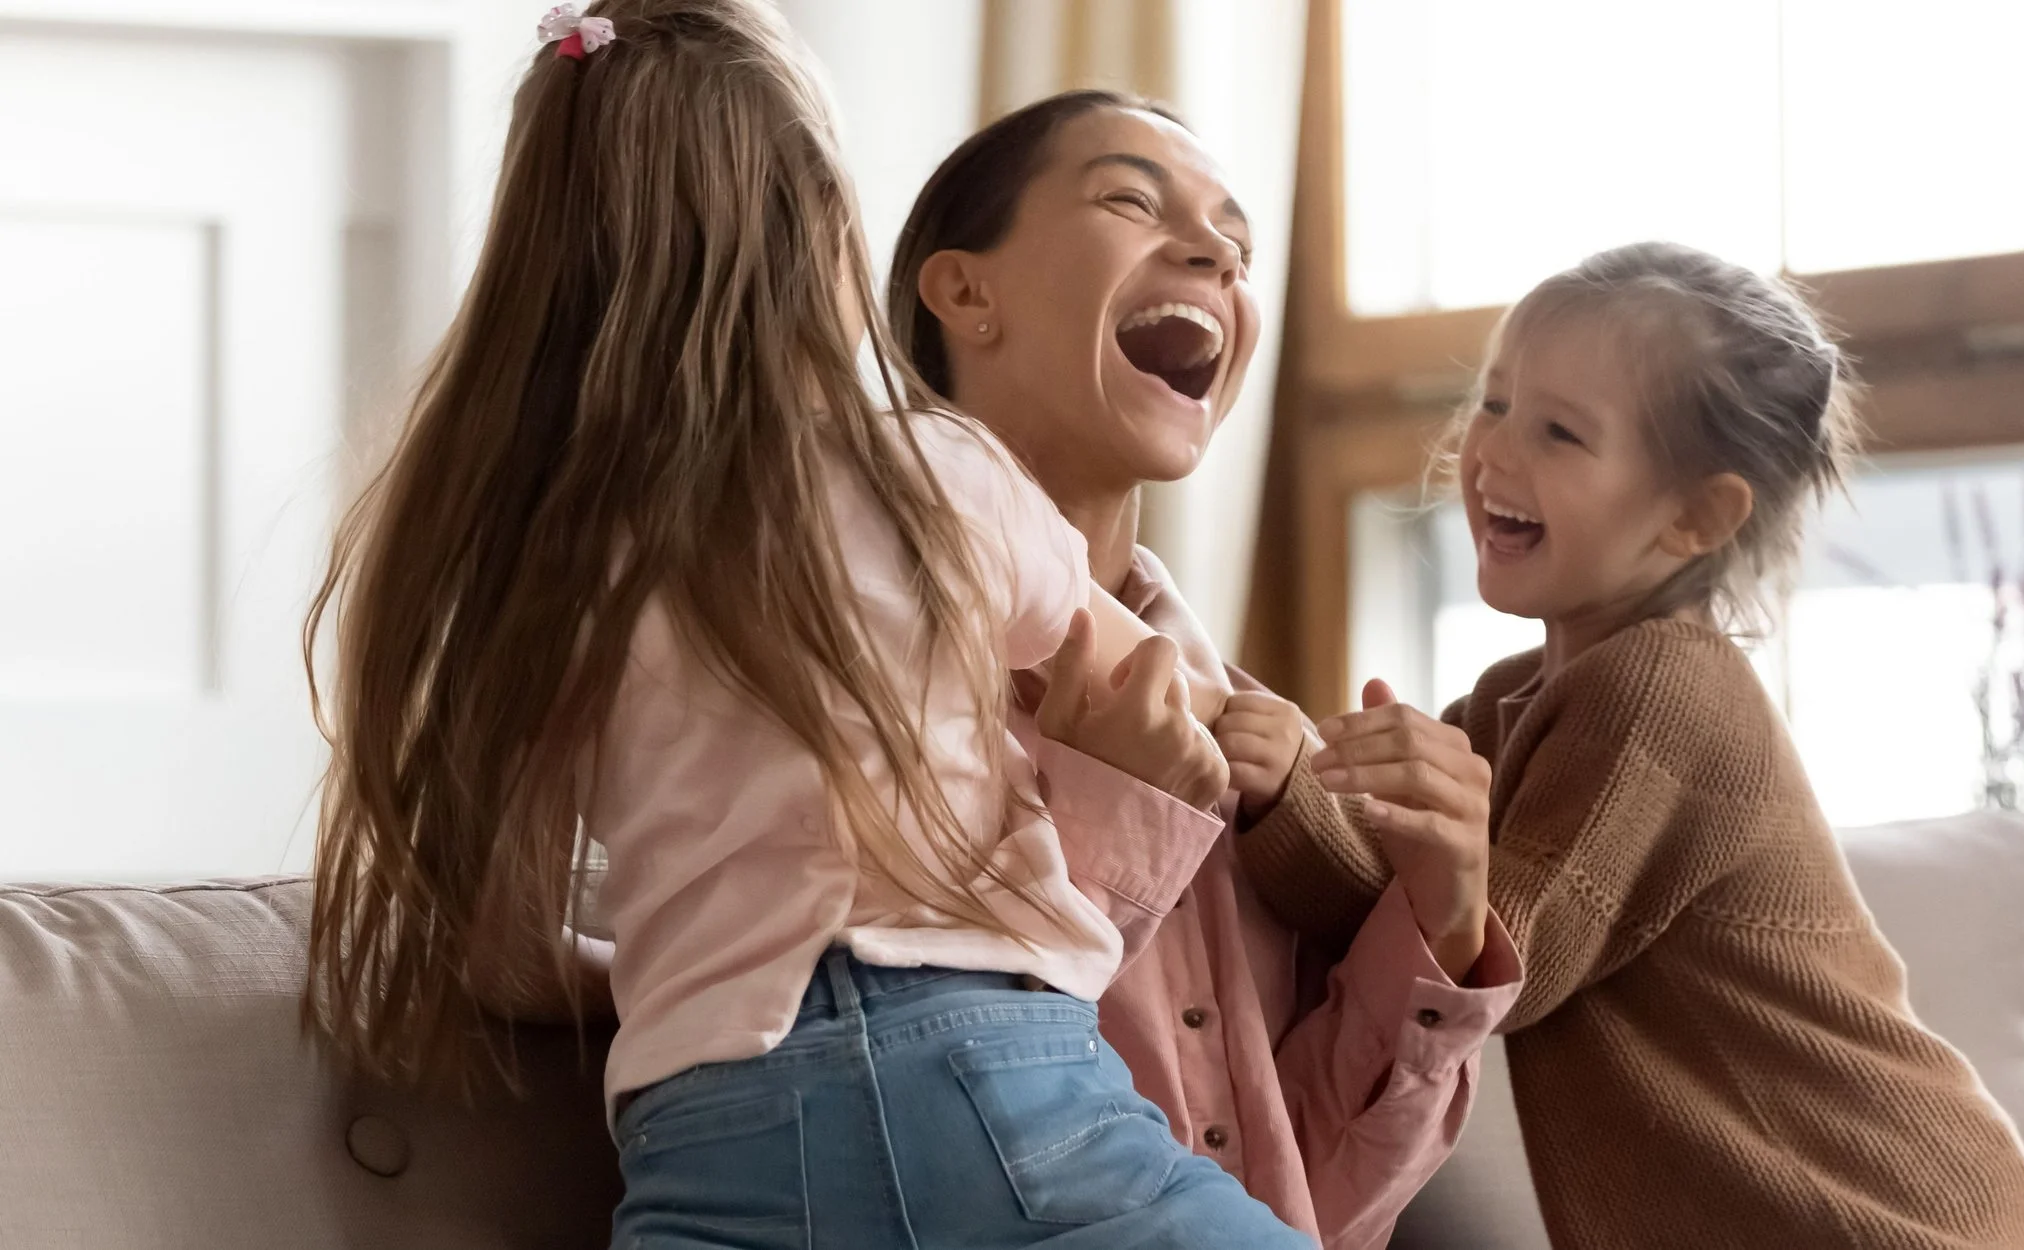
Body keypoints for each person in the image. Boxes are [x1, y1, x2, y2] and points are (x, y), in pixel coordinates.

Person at [300, 5, 1306, 1245]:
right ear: (826, 223)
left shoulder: (538, 555)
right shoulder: (936, 472)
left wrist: (688, 979)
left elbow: (502, 950)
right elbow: (1142, 672)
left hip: (717, 1135)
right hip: (1007, 1085)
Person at [1232, 242, 2024, 1249]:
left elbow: (1505, 964)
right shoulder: (1510, 702)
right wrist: (1275, 790)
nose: (1493, 452)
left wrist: (1288, 794)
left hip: (1893, 1219)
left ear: (1693, 515)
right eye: (1493, 403)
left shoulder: (1663, 688)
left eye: (1560, 432)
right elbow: (1396, 932)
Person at [887, 90, 1524, 1250]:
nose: (1215, 256)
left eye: (1236, 246)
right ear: (965, 291)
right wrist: (1111, 809)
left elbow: (1306, 1204)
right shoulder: (851, 675)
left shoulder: (1255, 744)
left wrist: (1437, 917)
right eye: (1132, 199)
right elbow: (899, 1106)